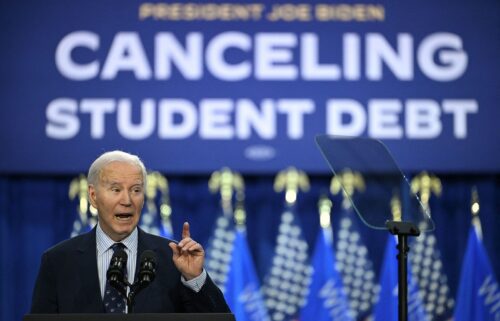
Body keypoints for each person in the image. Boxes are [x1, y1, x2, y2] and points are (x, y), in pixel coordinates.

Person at [30, 150, 230, 313]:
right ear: (93, 196)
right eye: (116, 190)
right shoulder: (58, 262)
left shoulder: (173, 260)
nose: (127, 200)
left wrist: (195, 279)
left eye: (136, 190)